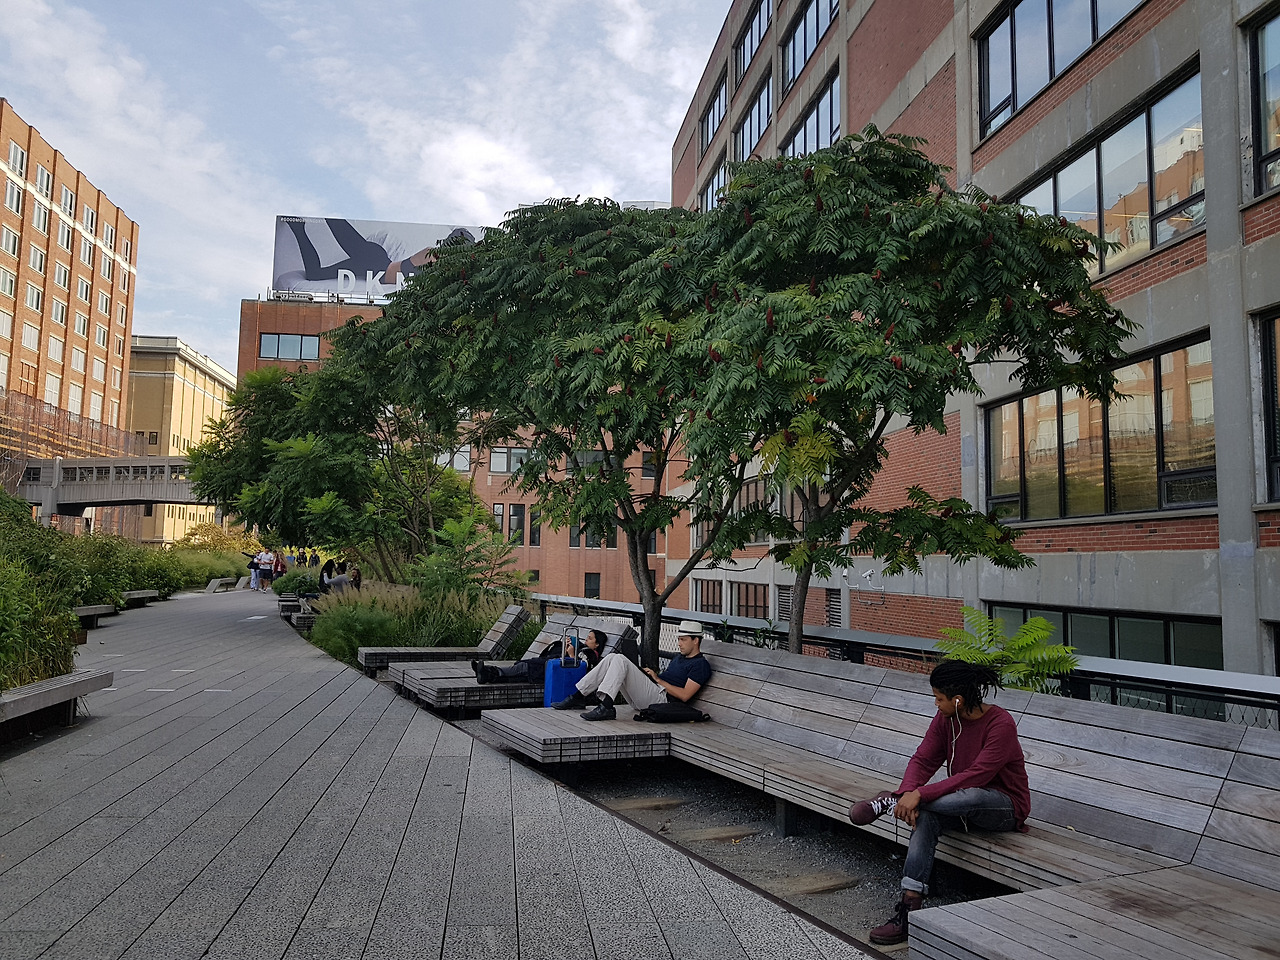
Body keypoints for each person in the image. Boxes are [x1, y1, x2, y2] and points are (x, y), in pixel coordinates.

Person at [847, 660, 1030, 946]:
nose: (936, 704)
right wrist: (908, 791)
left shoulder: (1000, 724)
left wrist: (919, 796)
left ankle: (890, 802)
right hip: (956, 805)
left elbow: (977, 775)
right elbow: (923, 759)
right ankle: (909, 910)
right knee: (925, 819)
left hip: (1003, 808)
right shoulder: (946, 719)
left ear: (958, 700)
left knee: (973, 794)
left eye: (939, 698)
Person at [551, 620, 711, 720]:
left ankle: (606, 706)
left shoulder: (700, 665)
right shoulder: (679, 657)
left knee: (620, 660)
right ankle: (578, 696)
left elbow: (684, 695)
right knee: (613, 657)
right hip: (652, 692)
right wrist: (648, 676)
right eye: (679, 639)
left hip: (663, 701)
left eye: (683, 640)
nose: (679, 643)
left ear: (696, 640)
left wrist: (657, 679)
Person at [472, 628, 606, 685]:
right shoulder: (583, 649)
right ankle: (486, 674)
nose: (586, 640)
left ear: (597, 644)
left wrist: (571, 654)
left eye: (590, 638)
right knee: (518, 673)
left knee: (521, 668)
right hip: (548, 668)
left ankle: (487, 671)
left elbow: (581, 669)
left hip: (550, 672)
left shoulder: (591, 655)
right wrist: (566, 649)